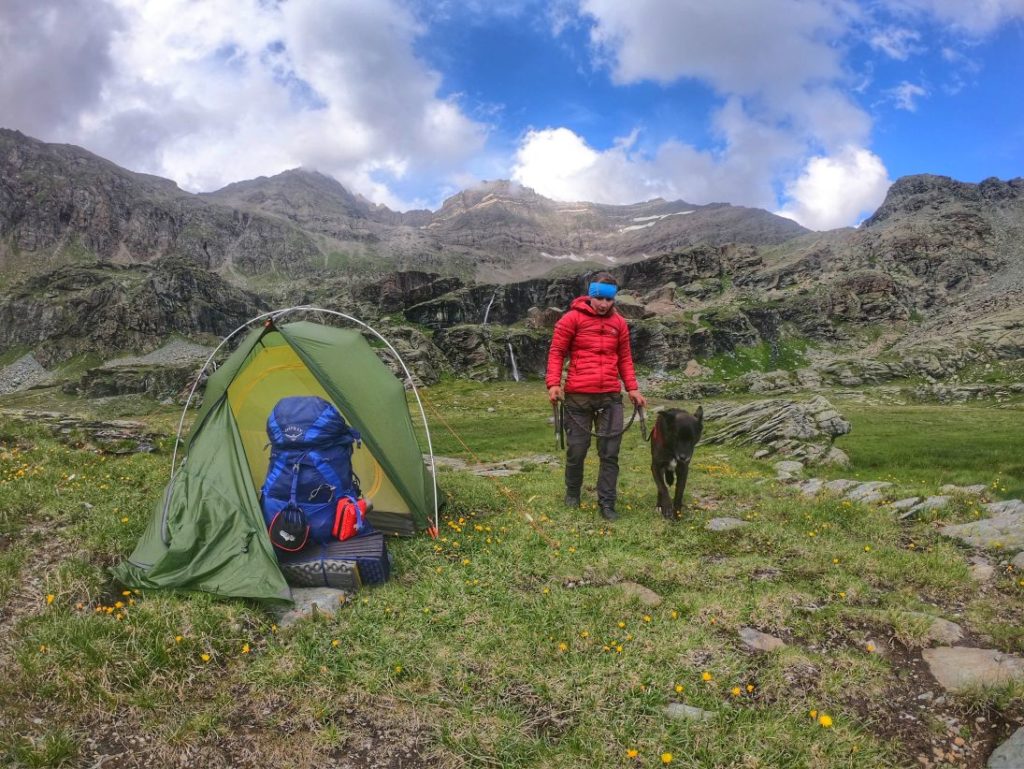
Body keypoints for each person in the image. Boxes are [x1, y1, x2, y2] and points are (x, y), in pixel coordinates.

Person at [545, 273, 647, 521]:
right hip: (578, 398)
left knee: (610, 453)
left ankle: (607, 503)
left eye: (608, 299)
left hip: (610, 397)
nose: (603, 304)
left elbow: (625, 358)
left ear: (614, 299)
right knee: (577, 451)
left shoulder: (619, 324)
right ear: (591, 295)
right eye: (599, 298)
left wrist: (632, 388)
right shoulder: (570, 320)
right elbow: (557, 352)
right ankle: (572, 493)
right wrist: (553, 384)